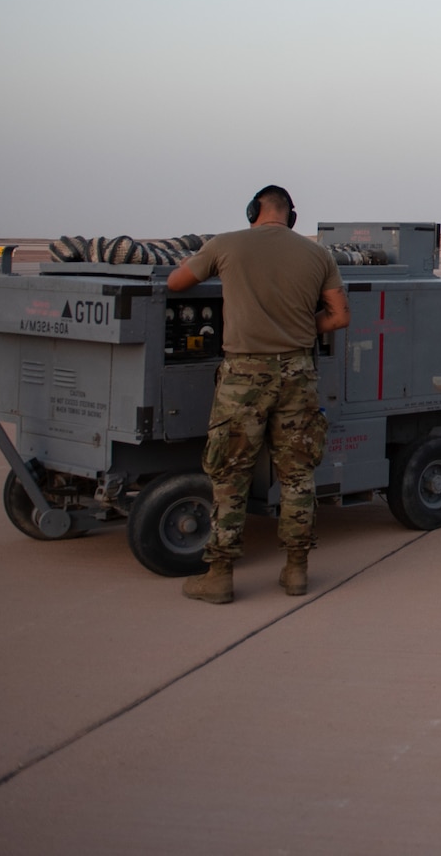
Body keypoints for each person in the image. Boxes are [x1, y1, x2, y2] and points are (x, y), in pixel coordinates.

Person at [168, 186, 350, 604]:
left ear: (253, 211)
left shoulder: (225, 245)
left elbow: (178, 282)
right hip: (297, 373)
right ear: (291, 216)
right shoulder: (318, 255)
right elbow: (339, 316)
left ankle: (219, 575)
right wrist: (302, 330)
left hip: (244, 375)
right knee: (298, 475)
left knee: (230, 474)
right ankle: (296, 571)